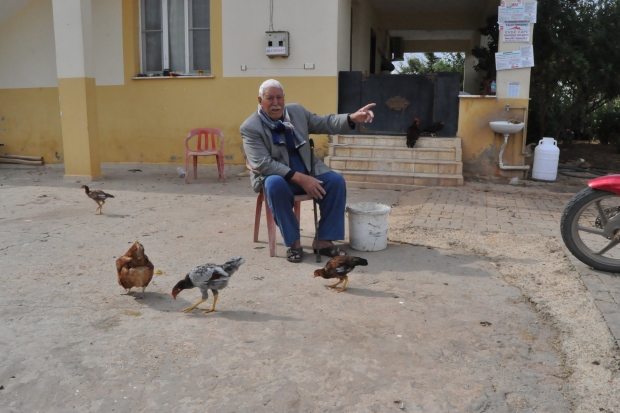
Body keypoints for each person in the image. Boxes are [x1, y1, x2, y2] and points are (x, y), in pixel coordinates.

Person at [241, 79, 375, 263]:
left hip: (307, 168)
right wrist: (302, 179)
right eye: (269, 98)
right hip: (277, 175)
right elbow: (263, 164)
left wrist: (351, 118)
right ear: (260, 100)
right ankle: (294, 243)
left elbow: (324, 122)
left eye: (279, 98)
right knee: (273, 185)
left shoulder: (296, 112)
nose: (275, 103)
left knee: (335, 182)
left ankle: (324, 241)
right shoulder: (250, 127)